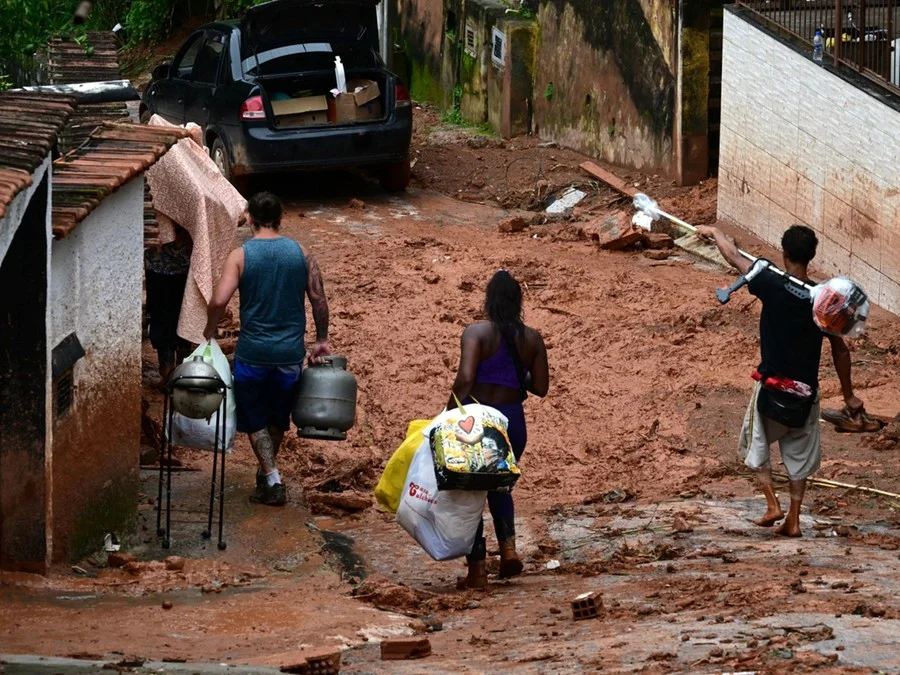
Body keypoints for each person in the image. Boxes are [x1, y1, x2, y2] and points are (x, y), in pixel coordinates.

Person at [697, 224, 864, 537]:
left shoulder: (770, 281)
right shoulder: (824, 301)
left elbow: (733, 256)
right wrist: (849, 396)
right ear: (811, 256)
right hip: (805, 394)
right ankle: (795, 519)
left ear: (784, 252)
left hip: (772, 389)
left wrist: (713, 230)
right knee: (798, 459)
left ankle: (773, 504)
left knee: (756, 447)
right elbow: (840, 351)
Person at [204, 192, 330, 506]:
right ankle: (266, 473)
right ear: (281, 218)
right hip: (290, 356)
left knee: (254, 415)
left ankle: (272, 477)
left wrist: (210, 329)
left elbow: (219, 300)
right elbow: (319, 300)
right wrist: (321, 340)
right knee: (277, 417)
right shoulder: (301, 253)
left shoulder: (240, 256)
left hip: (253, 355)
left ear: (249, 218)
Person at [447, 270, 549, 588]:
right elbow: (542, 387)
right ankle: (508, 551)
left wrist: (447, 412)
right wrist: (515, 373)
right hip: (512, 422)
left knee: (471, 490)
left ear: (488, 301)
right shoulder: (532, 339)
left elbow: (465, 378)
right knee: (500, 486)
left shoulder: (476, 333)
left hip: (477, 421)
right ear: (519, 303)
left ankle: (477, 573)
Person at [145, 223, 193, 384]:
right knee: (183, 317)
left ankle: (168, 371)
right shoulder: (192, 205)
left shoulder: (159, 204)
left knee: (162, 318)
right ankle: (181, 371)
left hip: (158, 270)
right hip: (183, 270)